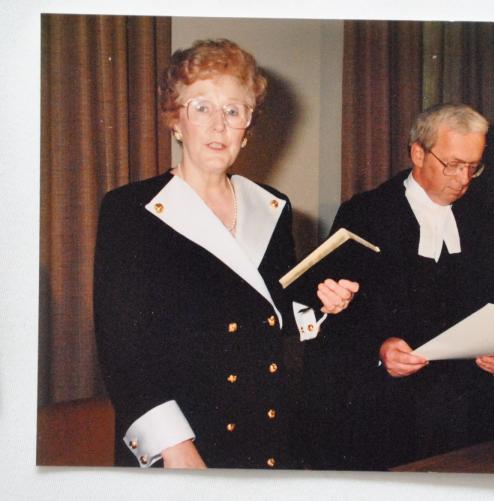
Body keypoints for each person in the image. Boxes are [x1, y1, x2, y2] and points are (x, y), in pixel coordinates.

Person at [94, 39, 358, 469]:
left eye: (233, 111)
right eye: (202, 107)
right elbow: (122, 349)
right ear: (175, 121)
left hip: (266, 436)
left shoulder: (271, 205)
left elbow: (273, 315)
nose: (218, 125)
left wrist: (323, 304)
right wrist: (175, 448)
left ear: (247, 129)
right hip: (183, 442)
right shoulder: (132, 210)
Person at [305, 104, 494, 470]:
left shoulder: (488, 219)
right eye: (452, 164)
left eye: (474, 166)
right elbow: (331, 317)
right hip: (386, 411)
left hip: (465, 412)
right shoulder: (366, 214)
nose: (464, 178)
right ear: (418, 153)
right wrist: (379, 350)